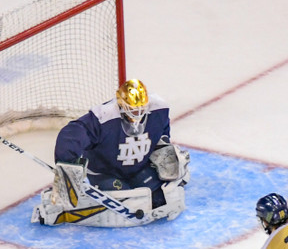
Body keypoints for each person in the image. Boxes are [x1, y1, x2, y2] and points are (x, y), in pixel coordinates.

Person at [31, 78, 190, 227]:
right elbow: (71, 135)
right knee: (127, 202)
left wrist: (163, 151)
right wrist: (68, 164)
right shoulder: (103, 117)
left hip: (139, 168)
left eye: (141, 109)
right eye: (133, 110)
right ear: (121, 105)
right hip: (105, 173)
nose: (138, 114)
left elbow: (162, 135)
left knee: (159, 199)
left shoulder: (158, 109)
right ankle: (59, 209)